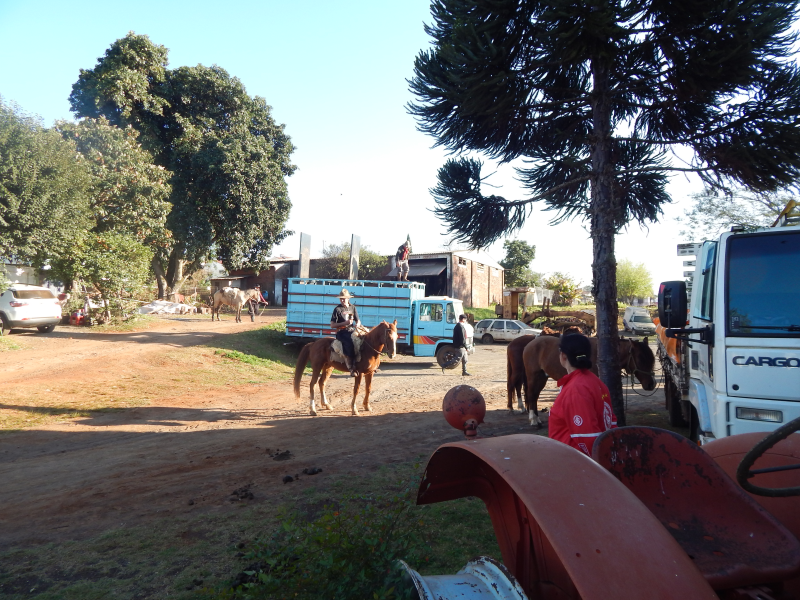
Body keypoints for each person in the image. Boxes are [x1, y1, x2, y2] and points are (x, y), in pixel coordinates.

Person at [548, 333, 616, 457]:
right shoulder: (596, 382)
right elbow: (611, 422)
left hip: (573, 463)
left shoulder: (576, 389)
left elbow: (587, 436)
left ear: (563, 355)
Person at [330, 288, 360, 377]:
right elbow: (332, 325)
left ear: (348, 299)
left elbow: (358, 320)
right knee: (349, 342)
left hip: (351, 330)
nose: (342, 300)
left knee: (363, 340)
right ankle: (351, 367)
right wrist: (345, 323)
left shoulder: (352, 307)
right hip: (341, 332)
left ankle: (363, 363)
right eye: (341, 298)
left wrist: (357, 324)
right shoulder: (337, 309)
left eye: (344, 298)